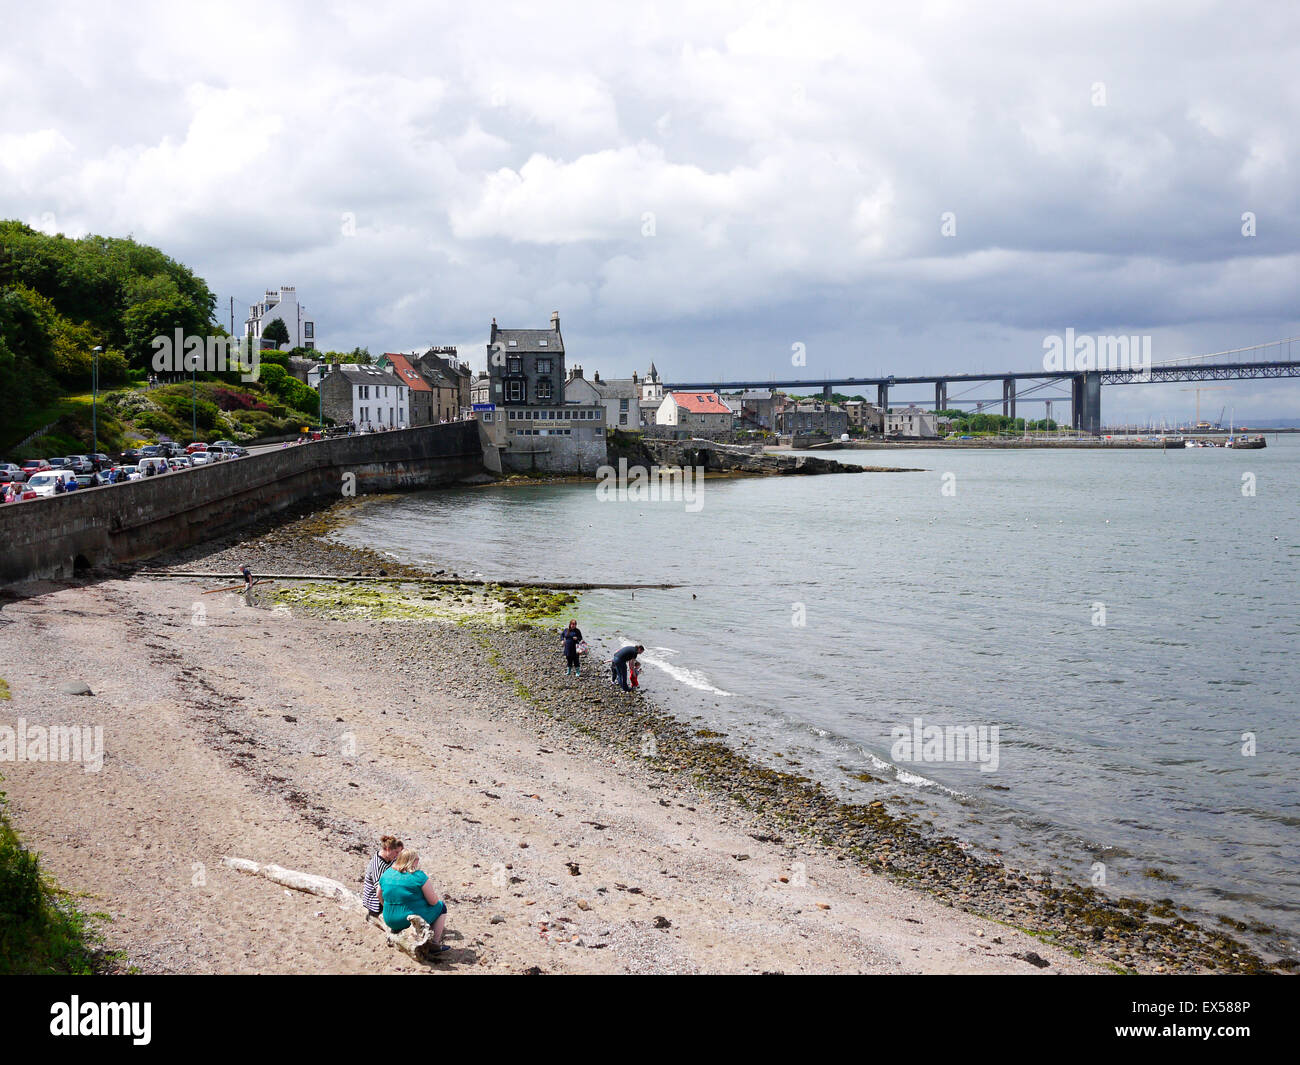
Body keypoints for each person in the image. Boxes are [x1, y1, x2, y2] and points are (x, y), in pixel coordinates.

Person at [377, 848, 449, 950]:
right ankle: (435, 944)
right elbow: (433, 902)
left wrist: (387, 906)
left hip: (389, 919)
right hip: (407, 920)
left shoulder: (387, 873)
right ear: (413, 861)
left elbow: (378, 894)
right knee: (441, 907)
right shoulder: (418, 876)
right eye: (417, 859)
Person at [361, 834, 403, 919]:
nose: (397, 855)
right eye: (396, 852)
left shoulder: (390, 858)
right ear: (388, 849)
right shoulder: (378, 865)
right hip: (375, 902)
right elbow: (379, 892)